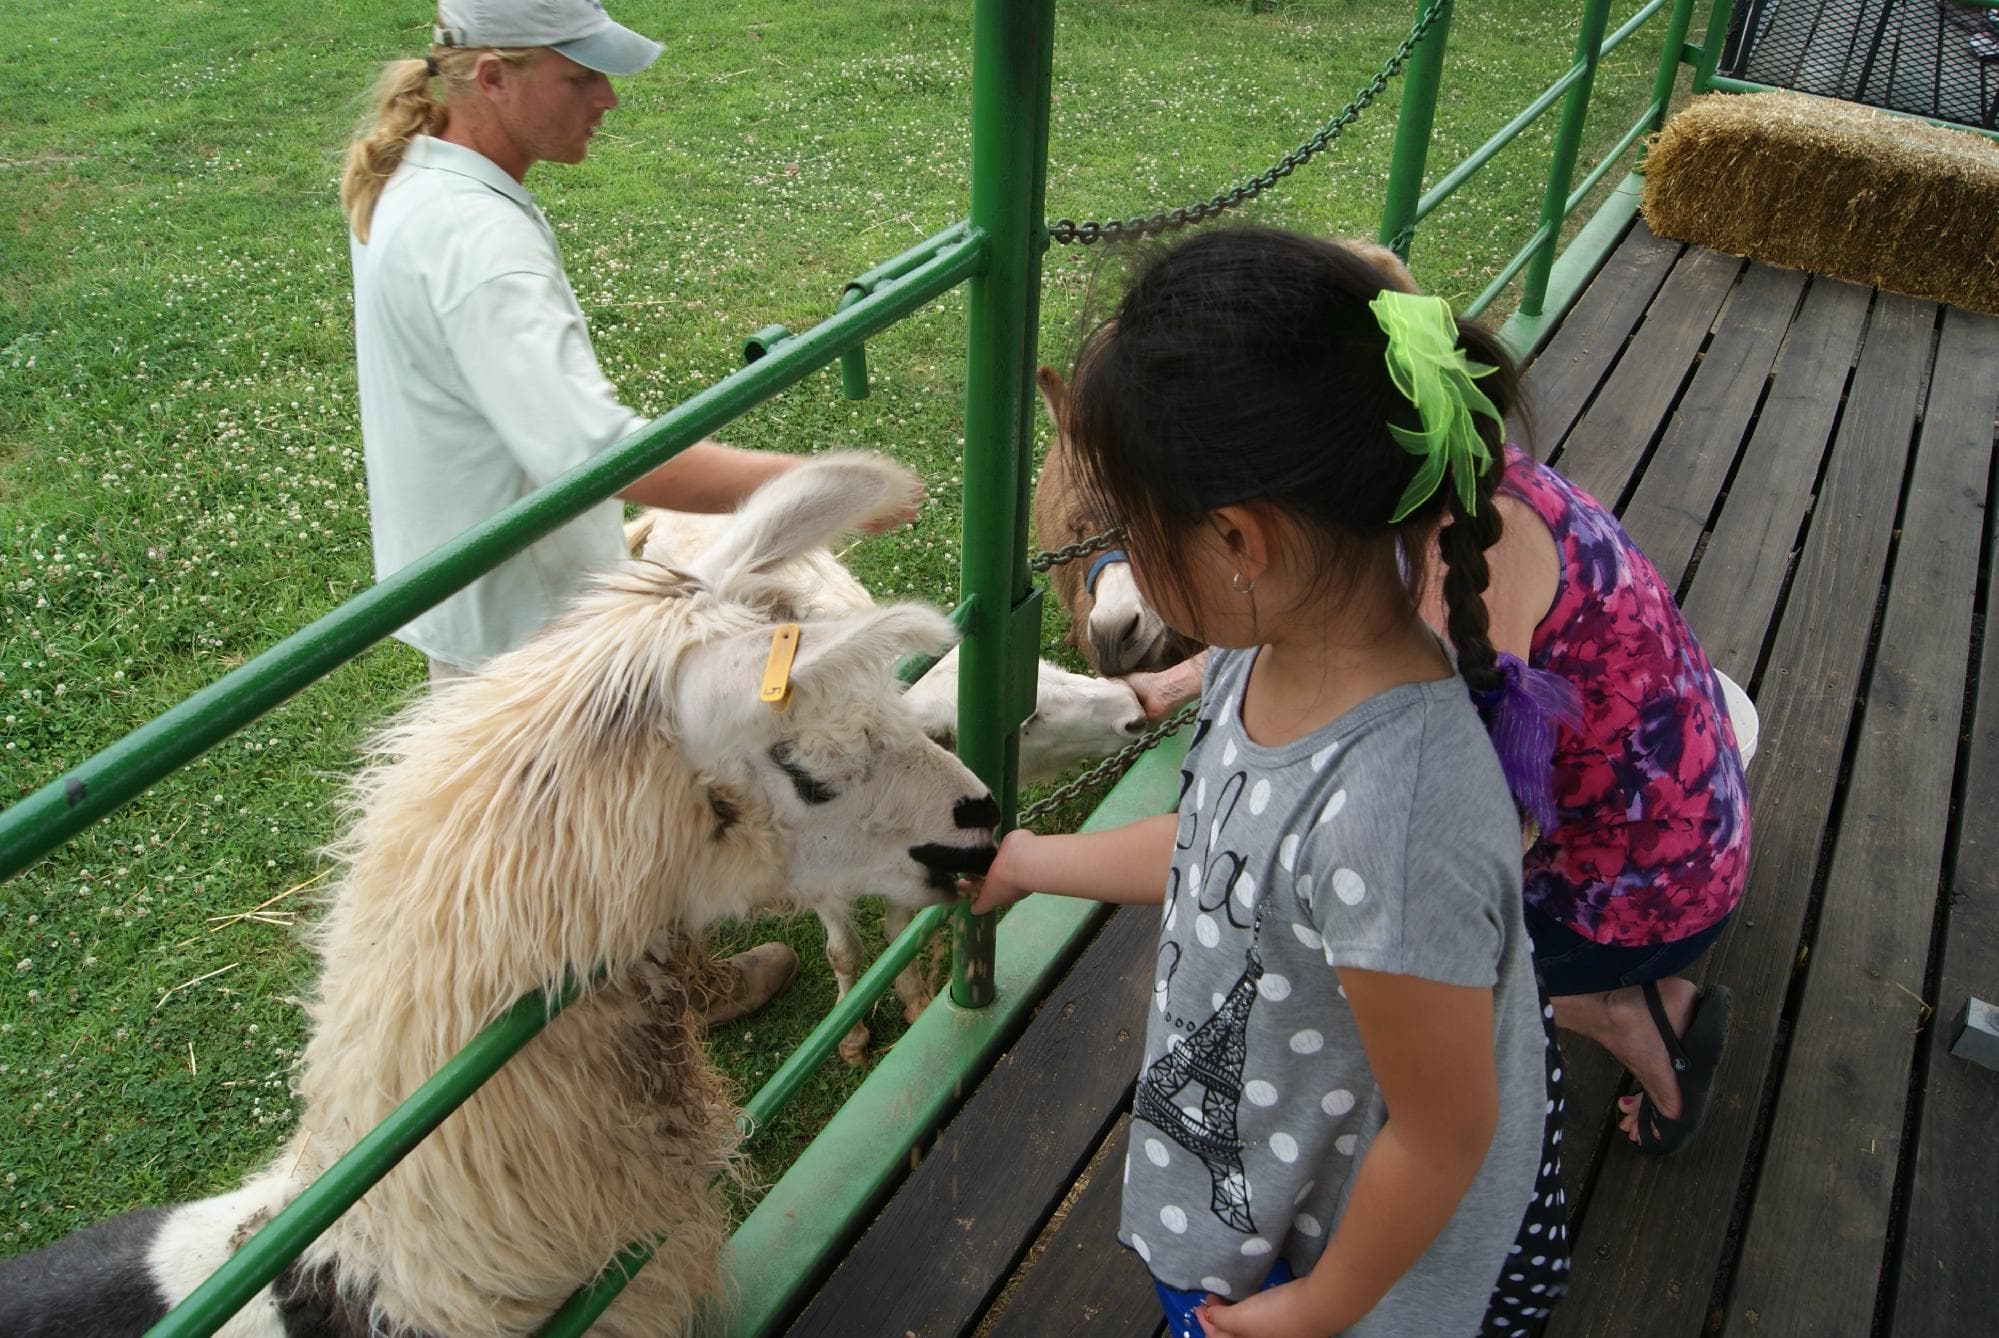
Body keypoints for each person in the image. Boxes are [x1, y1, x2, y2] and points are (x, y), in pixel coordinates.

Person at [970, 228, 1567, 1337]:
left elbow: (1442, 1136)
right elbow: (1224, 852)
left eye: (1127, 533)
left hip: (1362, 1277)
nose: (1118, 564)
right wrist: (1029, 862)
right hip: (1259, 1191)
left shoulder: (1395, 817)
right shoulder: (1264, 649)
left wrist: (1314, 1311)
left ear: (1238, 538)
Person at [337, 0, 919, 1023]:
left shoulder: (420, 180)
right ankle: (630, 1012)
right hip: (529, 612)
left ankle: (640, 987)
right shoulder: (481, 239)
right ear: (492, 79)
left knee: (533, 830)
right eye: (579, 76)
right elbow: (593, 454)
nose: (607, 98)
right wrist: (819, 485)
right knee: (584, 831)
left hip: (469, 570)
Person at [1121, 259, 1750, 1159]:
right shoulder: (1442, 479)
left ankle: (1634, 1011)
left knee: (1360, 974)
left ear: (1242, 537)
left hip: (1638, 899)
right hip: (1681, 825)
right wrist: (1178, 686)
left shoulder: (1436, 647)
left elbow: (1442, 880)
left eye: (1132, 528)